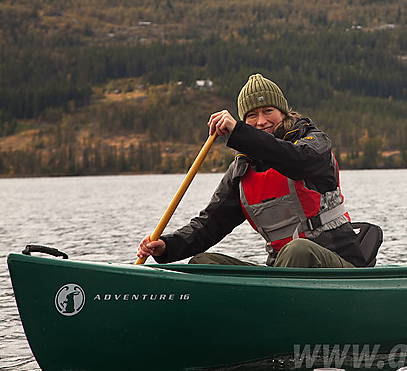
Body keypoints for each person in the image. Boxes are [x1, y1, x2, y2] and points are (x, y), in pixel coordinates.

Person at [136, 73, 372, 268]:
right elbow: (209, 225)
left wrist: (240, 133)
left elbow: (297, 161)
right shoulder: (241, 171)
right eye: (251, 115)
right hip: (281, 273)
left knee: (298, 250)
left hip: (339, 267)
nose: (261, 122)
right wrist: (167, 246)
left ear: (283, 113)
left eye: (268, 111)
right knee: (203, 264)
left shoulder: (314, 142)